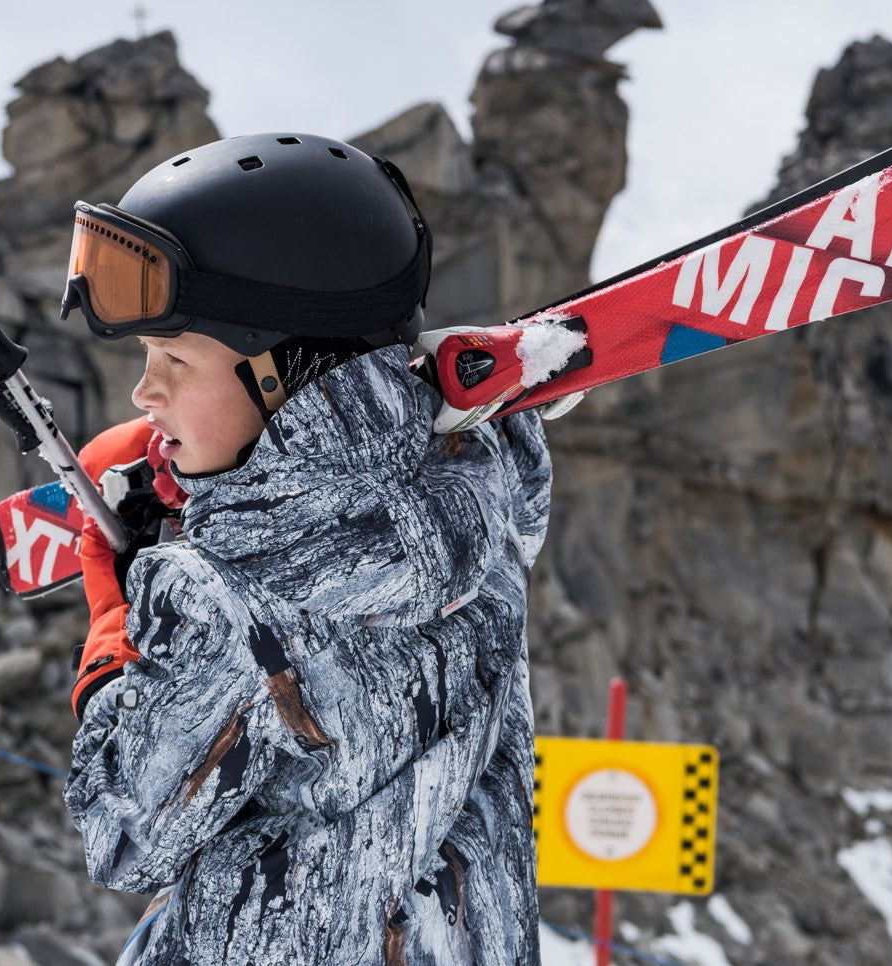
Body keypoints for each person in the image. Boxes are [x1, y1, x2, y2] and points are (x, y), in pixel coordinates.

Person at [59, 131, 552, 965]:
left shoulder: (219, 597)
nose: (145, 395)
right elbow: (352, 509)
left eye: (174, 358)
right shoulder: (492, 484)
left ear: (288, 373)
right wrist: (232, 485)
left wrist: (116, 622)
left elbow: (124, 835)